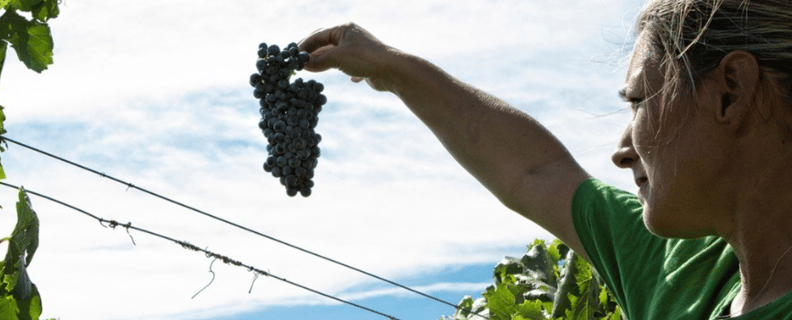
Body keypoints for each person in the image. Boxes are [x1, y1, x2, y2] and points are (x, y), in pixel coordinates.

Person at [297, 0, 792, 319]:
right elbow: (536, 172)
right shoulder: (684, 271)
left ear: (730, 92)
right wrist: (389, 67)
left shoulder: (682, 276)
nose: (621, 152)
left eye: (639, 101)